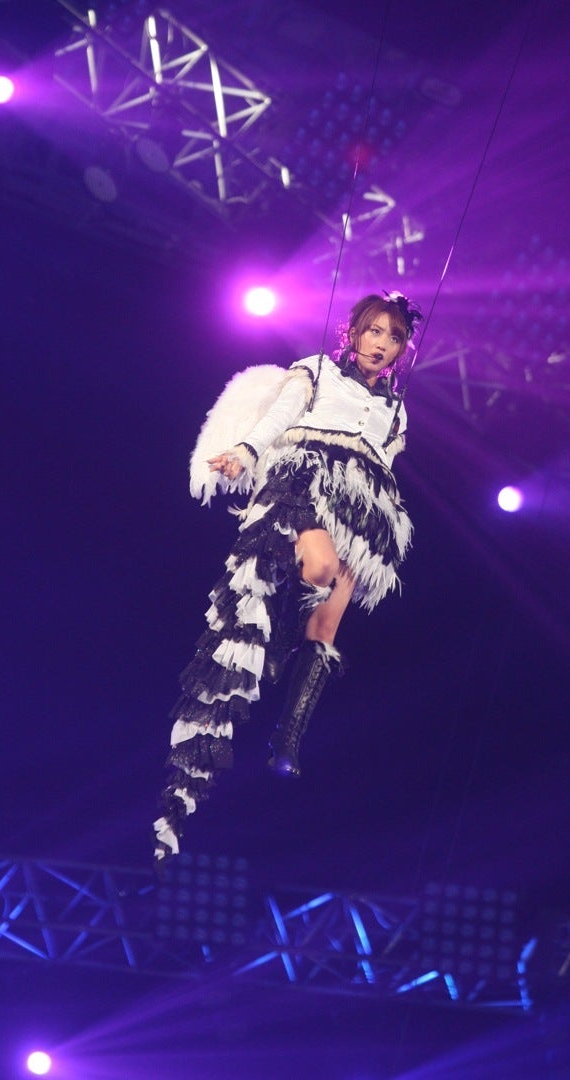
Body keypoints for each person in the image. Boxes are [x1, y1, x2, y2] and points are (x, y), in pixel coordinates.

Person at [153, 291, 423, 862]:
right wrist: (246, 450)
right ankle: (274, 644)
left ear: (403, 349)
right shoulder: (317, 370)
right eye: (373, 331)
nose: (381, 344)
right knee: (318, 568)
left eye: (394, 337)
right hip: (306, 480)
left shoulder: (397, 410)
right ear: (353, 332)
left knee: (326, 630)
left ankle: (288, 737)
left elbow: (385, 460)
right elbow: (279, 417)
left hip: (363, 507)